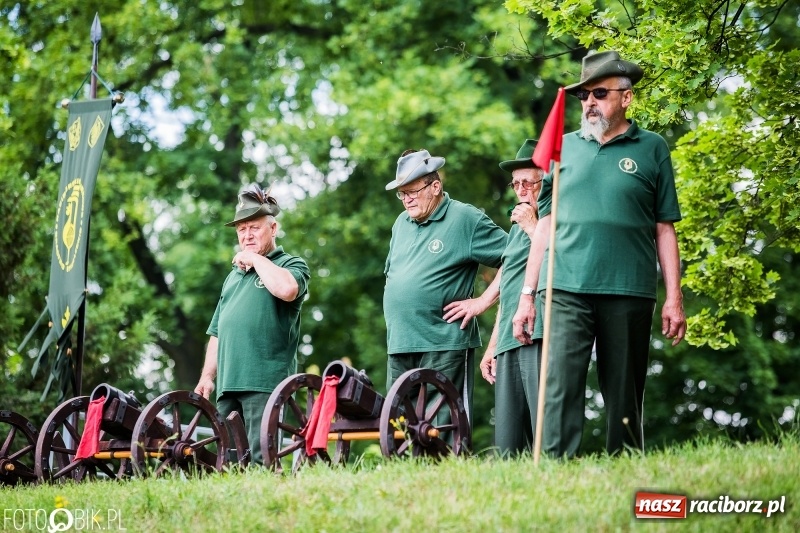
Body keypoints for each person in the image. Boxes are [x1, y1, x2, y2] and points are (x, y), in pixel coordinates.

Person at [512, 50, 686, 458]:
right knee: (559, 388)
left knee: (625, 393)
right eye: (584, 95)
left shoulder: (653, 148)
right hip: (565, 287)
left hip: (629, 289)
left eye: (600, 93)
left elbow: (665, 227)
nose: (590, 102)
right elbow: (545, 225)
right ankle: (555, 470)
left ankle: (624, 467)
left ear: (626, 97)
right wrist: (526, 296)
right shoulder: (562, 149)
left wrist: (674, 297)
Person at [383, 148, 508, 423]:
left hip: (444, 343)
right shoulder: (400, 224)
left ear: (435, 187)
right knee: (399, 429)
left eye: (412, 191)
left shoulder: (465, 218)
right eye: (402, 194)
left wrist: (483, 301)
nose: (407, 199)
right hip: (400, 343)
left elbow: (516, 255)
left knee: (445, 428)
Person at [195, 183, 310, 465]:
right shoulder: (233, 277)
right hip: (228, 385)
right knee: (228, 463)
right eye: (241, 229)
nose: (247, 235)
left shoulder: (291, 264)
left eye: (254, 228)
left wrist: (255, 259)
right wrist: (207, 377)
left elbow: (287, 290)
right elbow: (218, 331)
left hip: (265, 382)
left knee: (263, 461)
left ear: (273, 228)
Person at [476, 139, 544, 457]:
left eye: (528, 182)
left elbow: (565, 262)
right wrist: (492, 345)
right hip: (508, 340)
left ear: (546, 180)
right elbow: (510, 285)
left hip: (539, 332)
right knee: (507, 442)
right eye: (515, 184)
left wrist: (533, 227)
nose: (521, 190)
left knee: (545, 431)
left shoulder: (554, 218)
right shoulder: (517, 225)